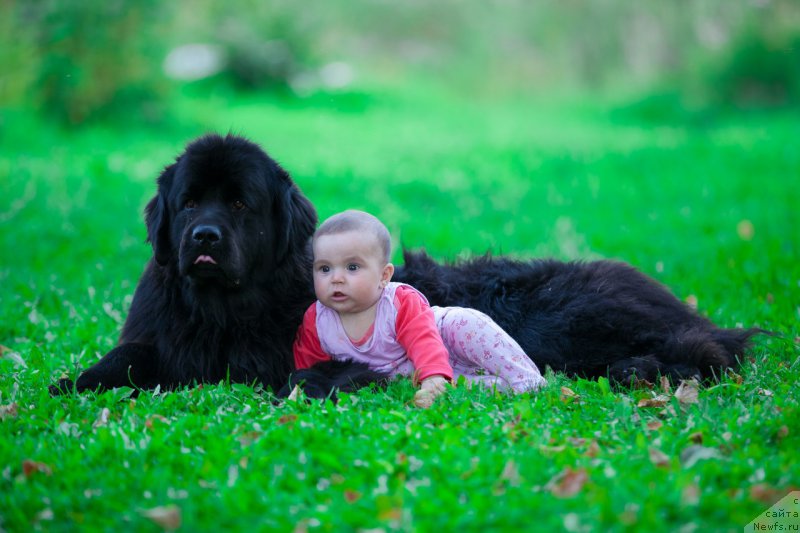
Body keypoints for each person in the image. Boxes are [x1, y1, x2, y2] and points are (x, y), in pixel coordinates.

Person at [292, 209, 546, 407]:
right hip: (410, 370)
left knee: (464, 324)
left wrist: (434, 375)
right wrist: (302, 388)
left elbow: (424, 341)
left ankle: (526, 379)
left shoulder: (399, 302)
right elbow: (311, 368)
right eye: (325, 268)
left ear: (384, 276)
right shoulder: (317, 320)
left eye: (352, 267)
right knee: (424, 382)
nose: (336, 278)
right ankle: (503, 386)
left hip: (442, 341)